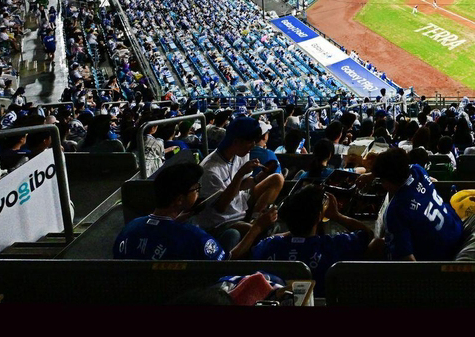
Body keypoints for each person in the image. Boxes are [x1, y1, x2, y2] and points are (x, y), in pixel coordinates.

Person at [115, 162, 275, 260]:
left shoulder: (129, 228)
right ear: (179, 199)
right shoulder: (192, 236)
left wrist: (185, 215)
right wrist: (257, 228)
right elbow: (228, 260)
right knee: (233, 235)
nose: (198, 192)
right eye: (196, 189)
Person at [251, 187, 374, 296]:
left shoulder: (269, 244)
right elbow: (367, 234)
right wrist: (336, 215)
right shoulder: (331, 245)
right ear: (319, 216)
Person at [196, 117, 286, 250]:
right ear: (236, 141)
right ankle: (256, 228)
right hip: (222, 221)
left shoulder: (242, 153)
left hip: (240, 204)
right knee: (257, 231)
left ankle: (254, 219)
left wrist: (259, 177)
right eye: (250, 142)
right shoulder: (210, 170)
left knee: (277, 179)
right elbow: (221, 207)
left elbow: (243, 185)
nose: (253, 146)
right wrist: (239, 174)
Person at [369, 147, 465, 261]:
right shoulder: (417, 170)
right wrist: (372, 175)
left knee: (376, 246)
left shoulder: (395, 211)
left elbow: (407, 260)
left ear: (387, 181)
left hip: (442, 257)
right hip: (455, 231)